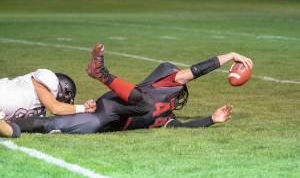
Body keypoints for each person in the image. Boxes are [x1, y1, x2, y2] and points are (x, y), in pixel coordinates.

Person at [7, 43, 253, 137]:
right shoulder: (166, 82)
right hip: (114, 103)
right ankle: (102, 73)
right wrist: (231, 54)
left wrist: (212, 119)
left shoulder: (168, 118)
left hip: (101, 120)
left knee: (47, 124)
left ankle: (8, 122)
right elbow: (198, 69)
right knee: (144, 103)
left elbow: (183, 127)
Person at [0, 69, 96, 138]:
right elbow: (55, 108)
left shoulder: (39, 112)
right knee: (12, 132)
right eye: (66, 98)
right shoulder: (50, 77)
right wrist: (83, 108)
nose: (64, 102)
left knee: (14, 131)